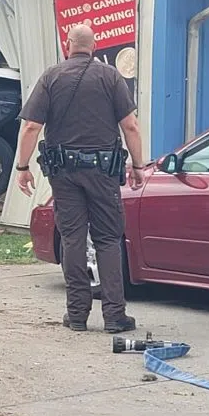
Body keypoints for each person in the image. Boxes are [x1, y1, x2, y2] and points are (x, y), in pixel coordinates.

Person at [15, 24, 145, 334]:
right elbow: (131, 126)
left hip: (64, 174)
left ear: (67, 44)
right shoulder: (110, 76)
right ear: (95, 46)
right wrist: (138, 165)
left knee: (72, 238)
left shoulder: (51, 76)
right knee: (108, 239)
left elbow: (31, 126)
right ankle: (115, 316)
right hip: (103, 173)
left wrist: (22, 167)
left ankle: (76, 315)